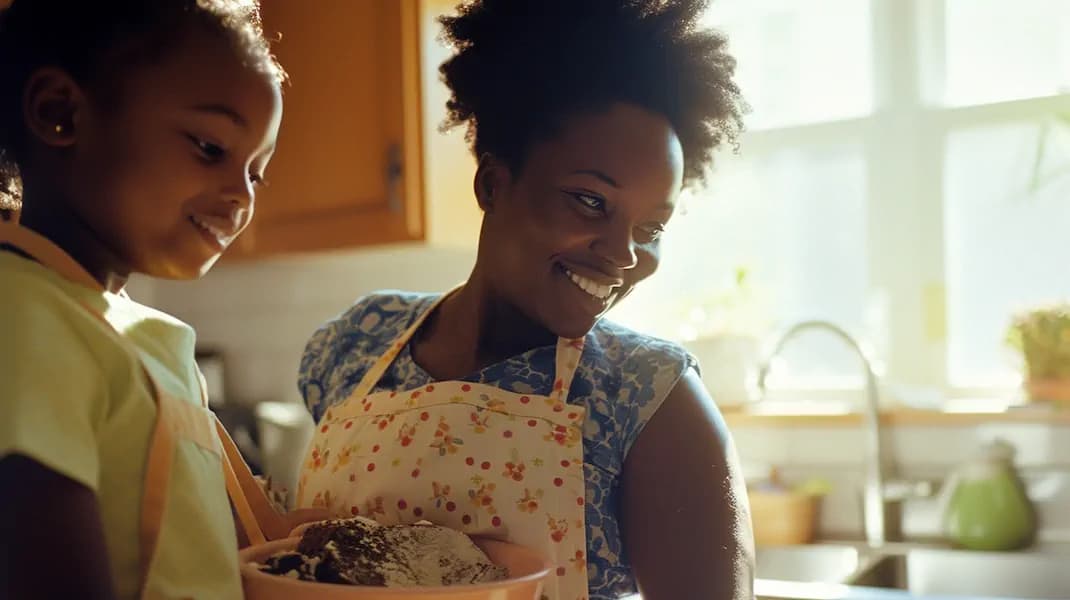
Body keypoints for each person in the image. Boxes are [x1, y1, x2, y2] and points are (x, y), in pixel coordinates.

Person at [296, 0, 752, 598]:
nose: (622, 254)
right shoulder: (356, 343)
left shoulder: (652, 400)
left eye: (650, 229)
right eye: (591, 201)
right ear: (493, 183)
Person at [0, 1, 319, 597]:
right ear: (59, 112)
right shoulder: (23, 315)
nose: (242, 196)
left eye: (258, 171)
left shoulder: (142, 335)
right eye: (209, 147)